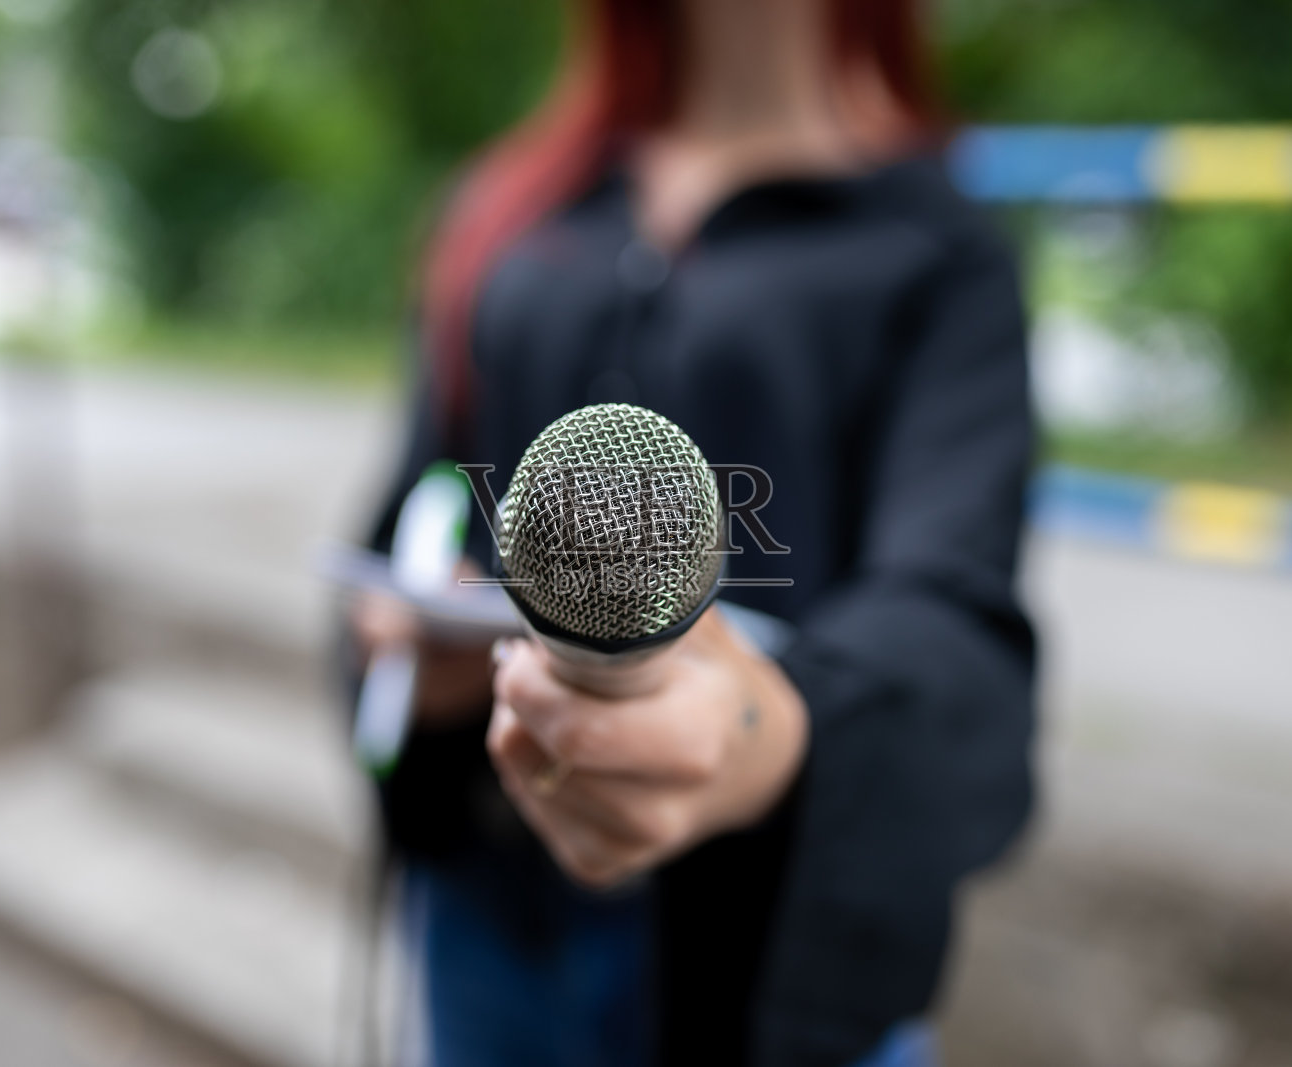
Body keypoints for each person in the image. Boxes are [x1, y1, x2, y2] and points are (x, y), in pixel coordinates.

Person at [347, 0, 1037, 1064]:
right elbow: (418, 503)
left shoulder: (935, 251)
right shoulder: (513, 214)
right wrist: (410, 653)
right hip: (486, 920)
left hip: (756, 971)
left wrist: (760, 728)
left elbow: (947, 614)